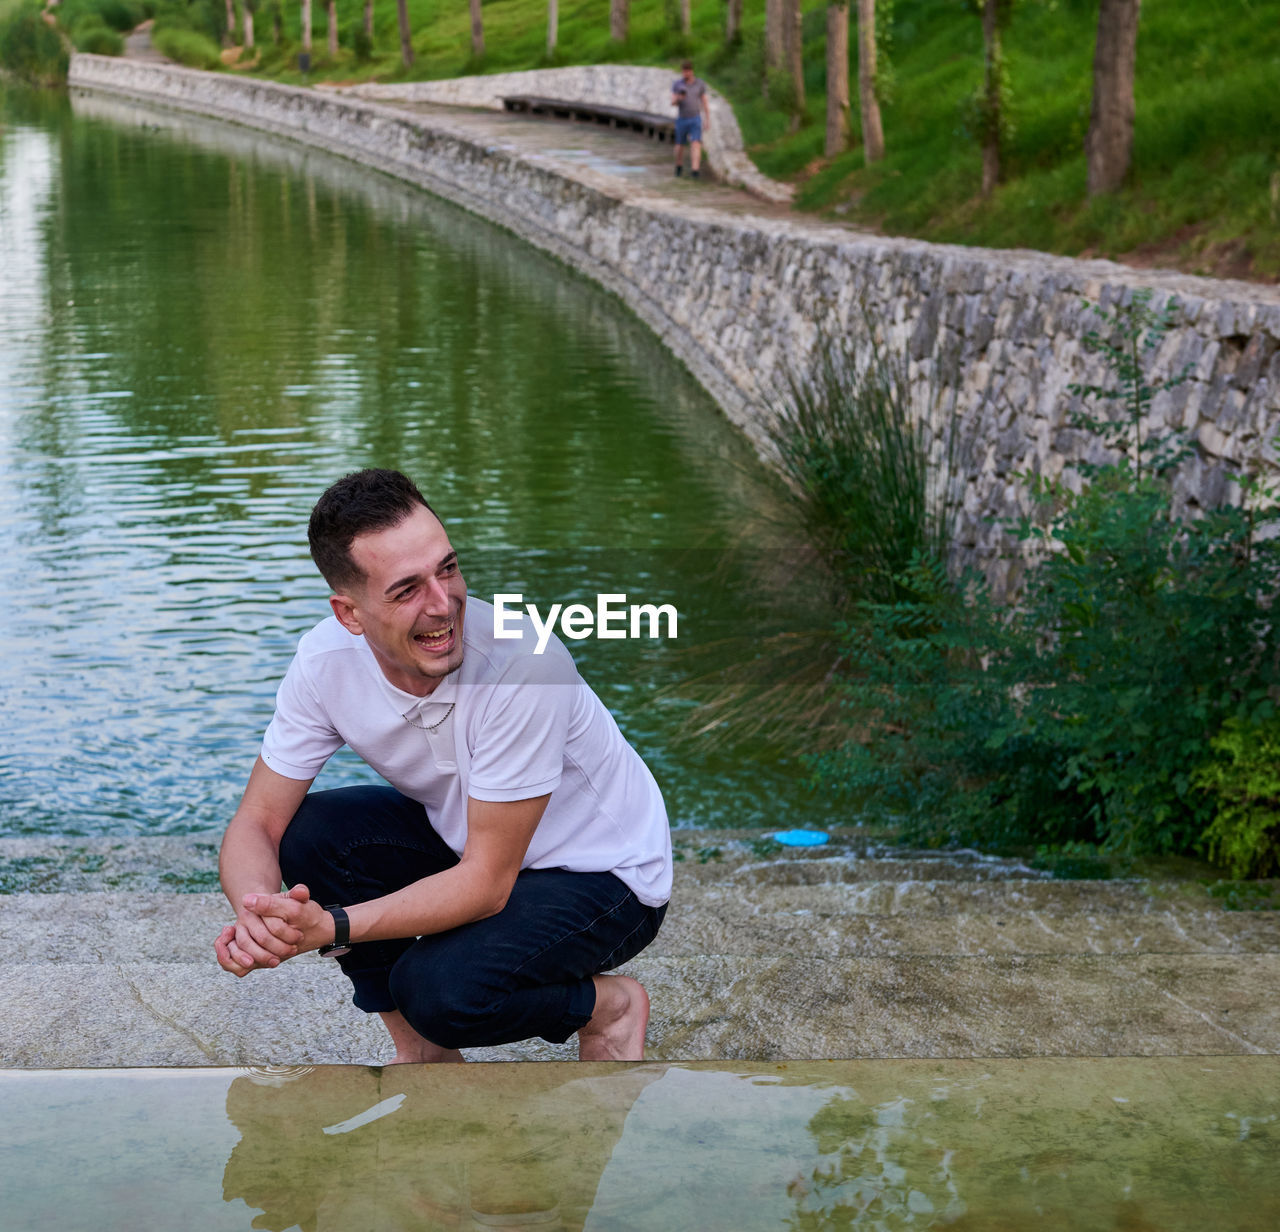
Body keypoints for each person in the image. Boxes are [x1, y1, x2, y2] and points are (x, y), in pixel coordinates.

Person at [214, 468, 671, 1063]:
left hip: (604, 876)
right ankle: (424, 1055)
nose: (443, 604)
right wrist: (259, 915)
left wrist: (332, 926)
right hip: (473, 841)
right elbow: (258, 822)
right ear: (349, 614)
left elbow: (486, 883)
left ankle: (609, 1006)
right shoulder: (325, 663)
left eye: (448, 569)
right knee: (315, 833)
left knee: (442, 991)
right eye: (406, 590)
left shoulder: (524, 668)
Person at [671, 59, 711, 179]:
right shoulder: (678, 85)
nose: (685, 74)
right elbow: (672, 102)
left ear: (691, 71)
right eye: (683, 71)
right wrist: (679, 98)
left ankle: (695, 170)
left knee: (696, 143)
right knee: (679, 145)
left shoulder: (699, 84)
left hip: (695, 118)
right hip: (682, 118)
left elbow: (704, 102)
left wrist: (707, 119)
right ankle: (678, 165)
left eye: (687, 71)